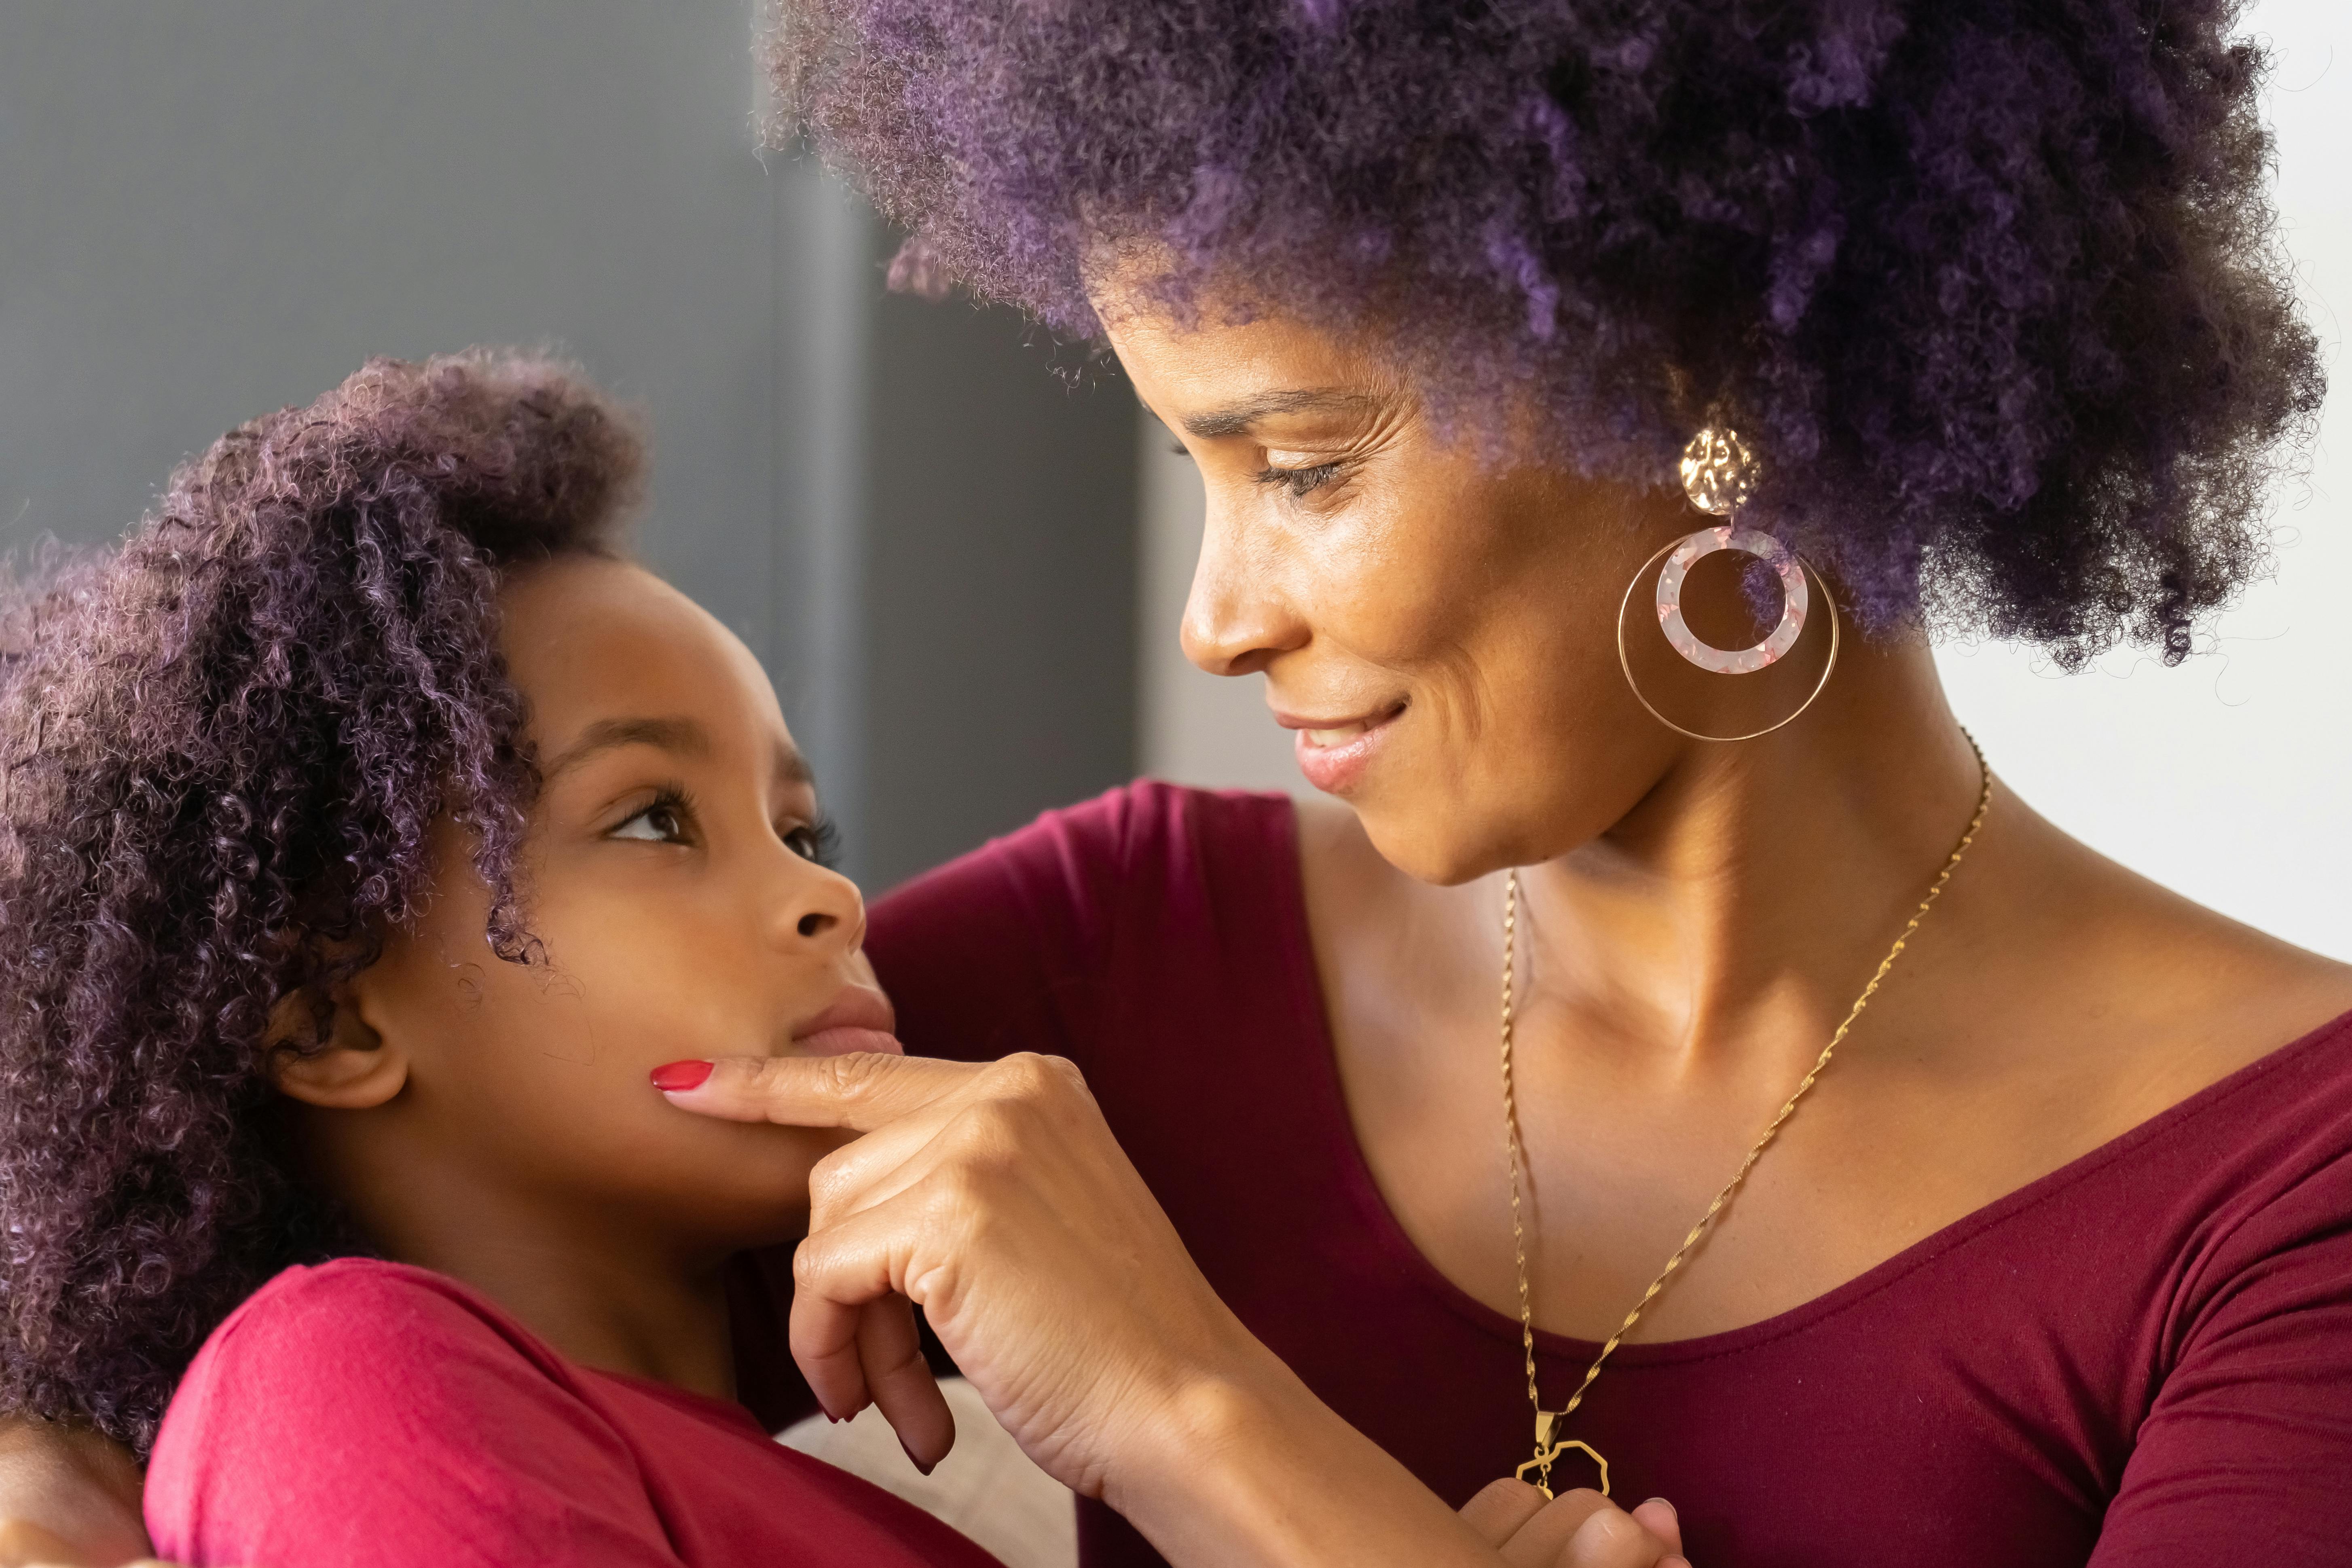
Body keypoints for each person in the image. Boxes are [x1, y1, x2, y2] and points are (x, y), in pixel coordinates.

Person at [662, 1, 2350, 1564]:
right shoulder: (1109, 965)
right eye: (1197, 469)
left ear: (1714, 382)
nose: (1214, 620)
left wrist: (1188, 1415)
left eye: (1306, 468)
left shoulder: (2288, 1198)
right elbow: (432, 1340)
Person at [0, 351, 1682, 1568]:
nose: (832, 905)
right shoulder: (345, 1381)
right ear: (323, 1007)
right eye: (657, 822)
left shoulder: (874, 1507)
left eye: (805, 833)